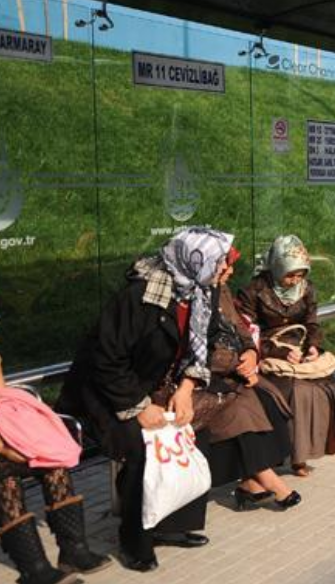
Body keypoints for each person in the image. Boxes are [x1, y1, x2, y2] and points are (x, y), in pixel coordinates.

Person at [59, 227, 235, 572]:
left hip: (152, 382)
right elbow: (107, 360)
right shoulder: (140, 296)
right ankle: (133, 537)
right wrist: (139, 407)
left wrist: (185, 389)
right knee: (139, 450)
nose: (223, 271)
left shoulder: (201, 292)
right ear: (194, 260)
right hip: (103, 390)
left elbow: (206, 342)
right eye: (219, 263)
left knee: (188, 428)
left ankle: (169, 524)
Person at [0, 290, 109, 584]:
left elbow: (4, 405)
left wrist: (11, 442)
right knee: (4, 476)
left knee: (52, 464)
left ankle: (72, 551)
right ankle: (36, 570)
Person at [237, 235, 335, 477]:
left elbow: (312, 323)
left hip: (299, 349)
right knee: (297, 391)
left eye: (300, 274)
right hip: (266, 354)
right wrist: (277, 350)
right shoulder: (253, 291)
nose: (295, 280)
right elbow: (246, 332)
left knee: (326, 388)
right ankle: (288, 455)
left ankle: (303, 452)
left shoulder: (306, 288)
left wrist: (313, 347)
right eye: (290, 274)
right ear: (277, 266)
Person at [204, 247, 300, 511]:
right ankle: (268, 480)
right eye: (225, 267)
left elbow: (240, 328)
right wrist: (237, 364)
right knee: (242, 411)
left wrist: (248, 352)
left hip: (233, 369)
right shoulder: (192, 297)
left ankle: (250, 483)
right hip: (203, 378)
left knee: (269, 399)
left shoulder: (219, 290)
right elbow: (196, 348)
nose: (231, 272)